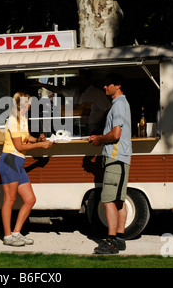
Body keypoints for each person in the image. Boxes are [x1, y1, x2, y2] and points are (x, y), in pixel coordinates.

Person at [0, 91, 53, 246]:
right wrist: (41, 145)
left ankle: (16, 233)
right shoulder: (13, 120)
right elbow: (19, 145)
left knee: (30, 199)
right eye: (28, 102)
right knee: (10, 199)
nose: (30, 105)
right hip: (9, 160)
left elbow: (26, 138)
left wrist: (38, 139)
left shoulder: (22, 119)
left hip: (17, 162)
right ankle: (8, 237)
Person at [88, 74, 132, 254]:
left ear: (118, 85)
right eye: (104, 85)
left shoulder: (119, 104)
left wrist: (99, 139)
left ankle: (111, 241)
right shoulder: (120, 104)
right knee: (118, 201)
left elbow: (115, 134)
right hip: (121, 158)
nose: (105, 88)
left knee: (107, 200)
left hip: (115, 158)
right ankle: (120, 239)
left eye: (108, 85)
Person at [32, 71, 111, 135]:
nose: (80, 82)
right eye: (78, 79)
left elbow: (108, 110)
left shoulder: (97, 93)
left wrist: (101, 125)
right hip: (77, 127)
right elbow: (59, 90)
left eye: (82, 79)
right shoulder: (75, 92)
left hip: (92, 128)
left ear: (88, 80)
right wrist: (42, 85)